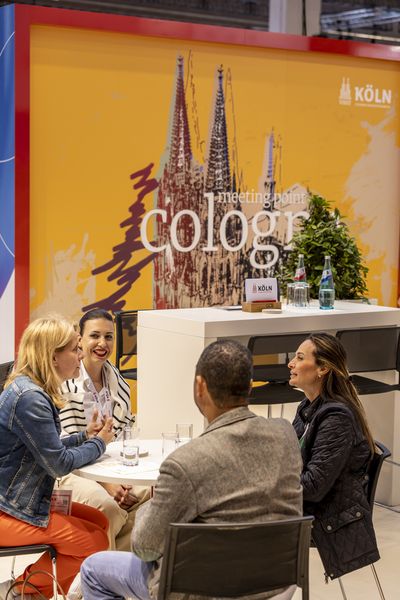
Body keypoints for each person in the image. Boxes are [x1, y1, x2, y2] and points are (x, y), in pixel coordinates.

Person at [81, 339, 303, 600]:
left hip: (201, 591)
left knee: (93, 569)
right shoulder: (285, 435)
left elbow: (145, 548)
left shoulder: (184, 462)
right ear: (249, 386)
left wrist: (153, 504)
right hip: (275, 584)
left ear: (200, 387)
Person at [0, 316, 115, 600]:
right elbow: (58, 463)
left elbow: (46, 449)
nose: (81, 355)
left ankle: (27, 589)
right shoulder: (30, 398)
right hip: (8, 510)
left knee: (99, 520)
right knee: (91, 542)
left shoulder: (31, 389)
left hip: (19, 500)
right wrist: (99, 443)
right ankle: (22, 590)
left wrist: (85, 436)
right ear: (53, 356)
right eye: (76, 349)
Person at [289, 332, 380, 580]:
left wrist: (267, 484)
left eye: (299, 358)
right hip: (310, 505)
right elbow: (290, 458)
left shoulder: (336, 418)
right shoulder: (308, 407)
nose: (291, 364)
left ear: (323, 369)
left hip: (328, 516)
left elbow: (314, 487)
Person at [59, 308, 149, 552]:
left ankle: (112, 566)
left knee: (156, 495)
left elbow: (125, 434)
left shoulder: (117, 381)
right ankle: (99, 580)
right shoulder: (65, 382)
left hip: (111, 466)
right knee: (107, 507)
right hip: (68, 473)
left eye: (109, 337)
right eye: (94, 336)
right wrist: (107, 484)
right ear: (80, 339)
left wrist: (123, 479)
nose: (102, 343)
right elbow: (63, 450)